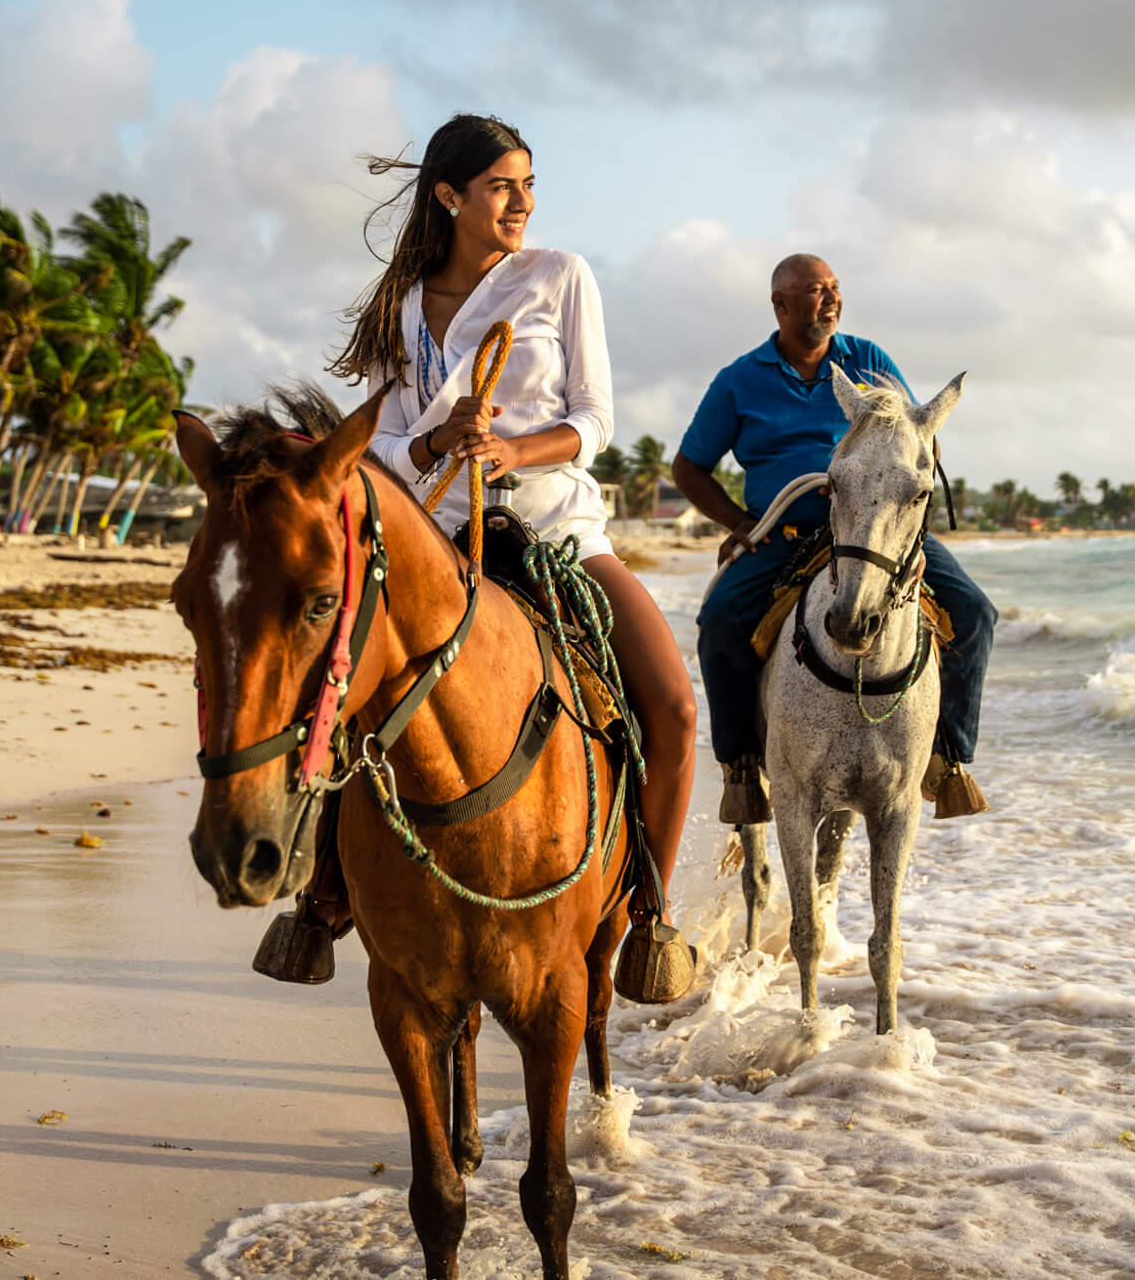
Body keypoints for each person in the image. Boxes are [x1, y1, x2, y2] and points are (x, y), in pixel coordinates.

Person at [327, 113, 698, 1002]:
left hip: (560, 531)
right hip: (437, 545)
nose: (522, 203)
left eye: (530, 185)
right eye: (503, 186)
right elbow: (379, 457)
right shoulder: (401, 310)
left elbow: (596, 419)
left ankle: (646, 912)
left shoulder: (559, 277)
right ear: (450, 196)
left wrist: (512, 453)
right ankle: (321, 895)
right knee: (333, 696)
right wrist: (435, 445)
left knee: (676, 709)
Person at [671, 253, 997, 819]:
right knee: (721, 622)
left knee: (975, 614)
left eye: (834, 288)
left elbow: (919, 436)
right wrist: (740, 523)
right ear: (780, 304)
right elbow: (688, 468)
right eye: (814, 291)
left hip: (875, 531)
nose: (829, 300)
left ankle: (947, 760)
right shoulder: (738, 381)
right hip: (784, 532)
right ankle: (742, 768)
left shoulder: (868, 361)